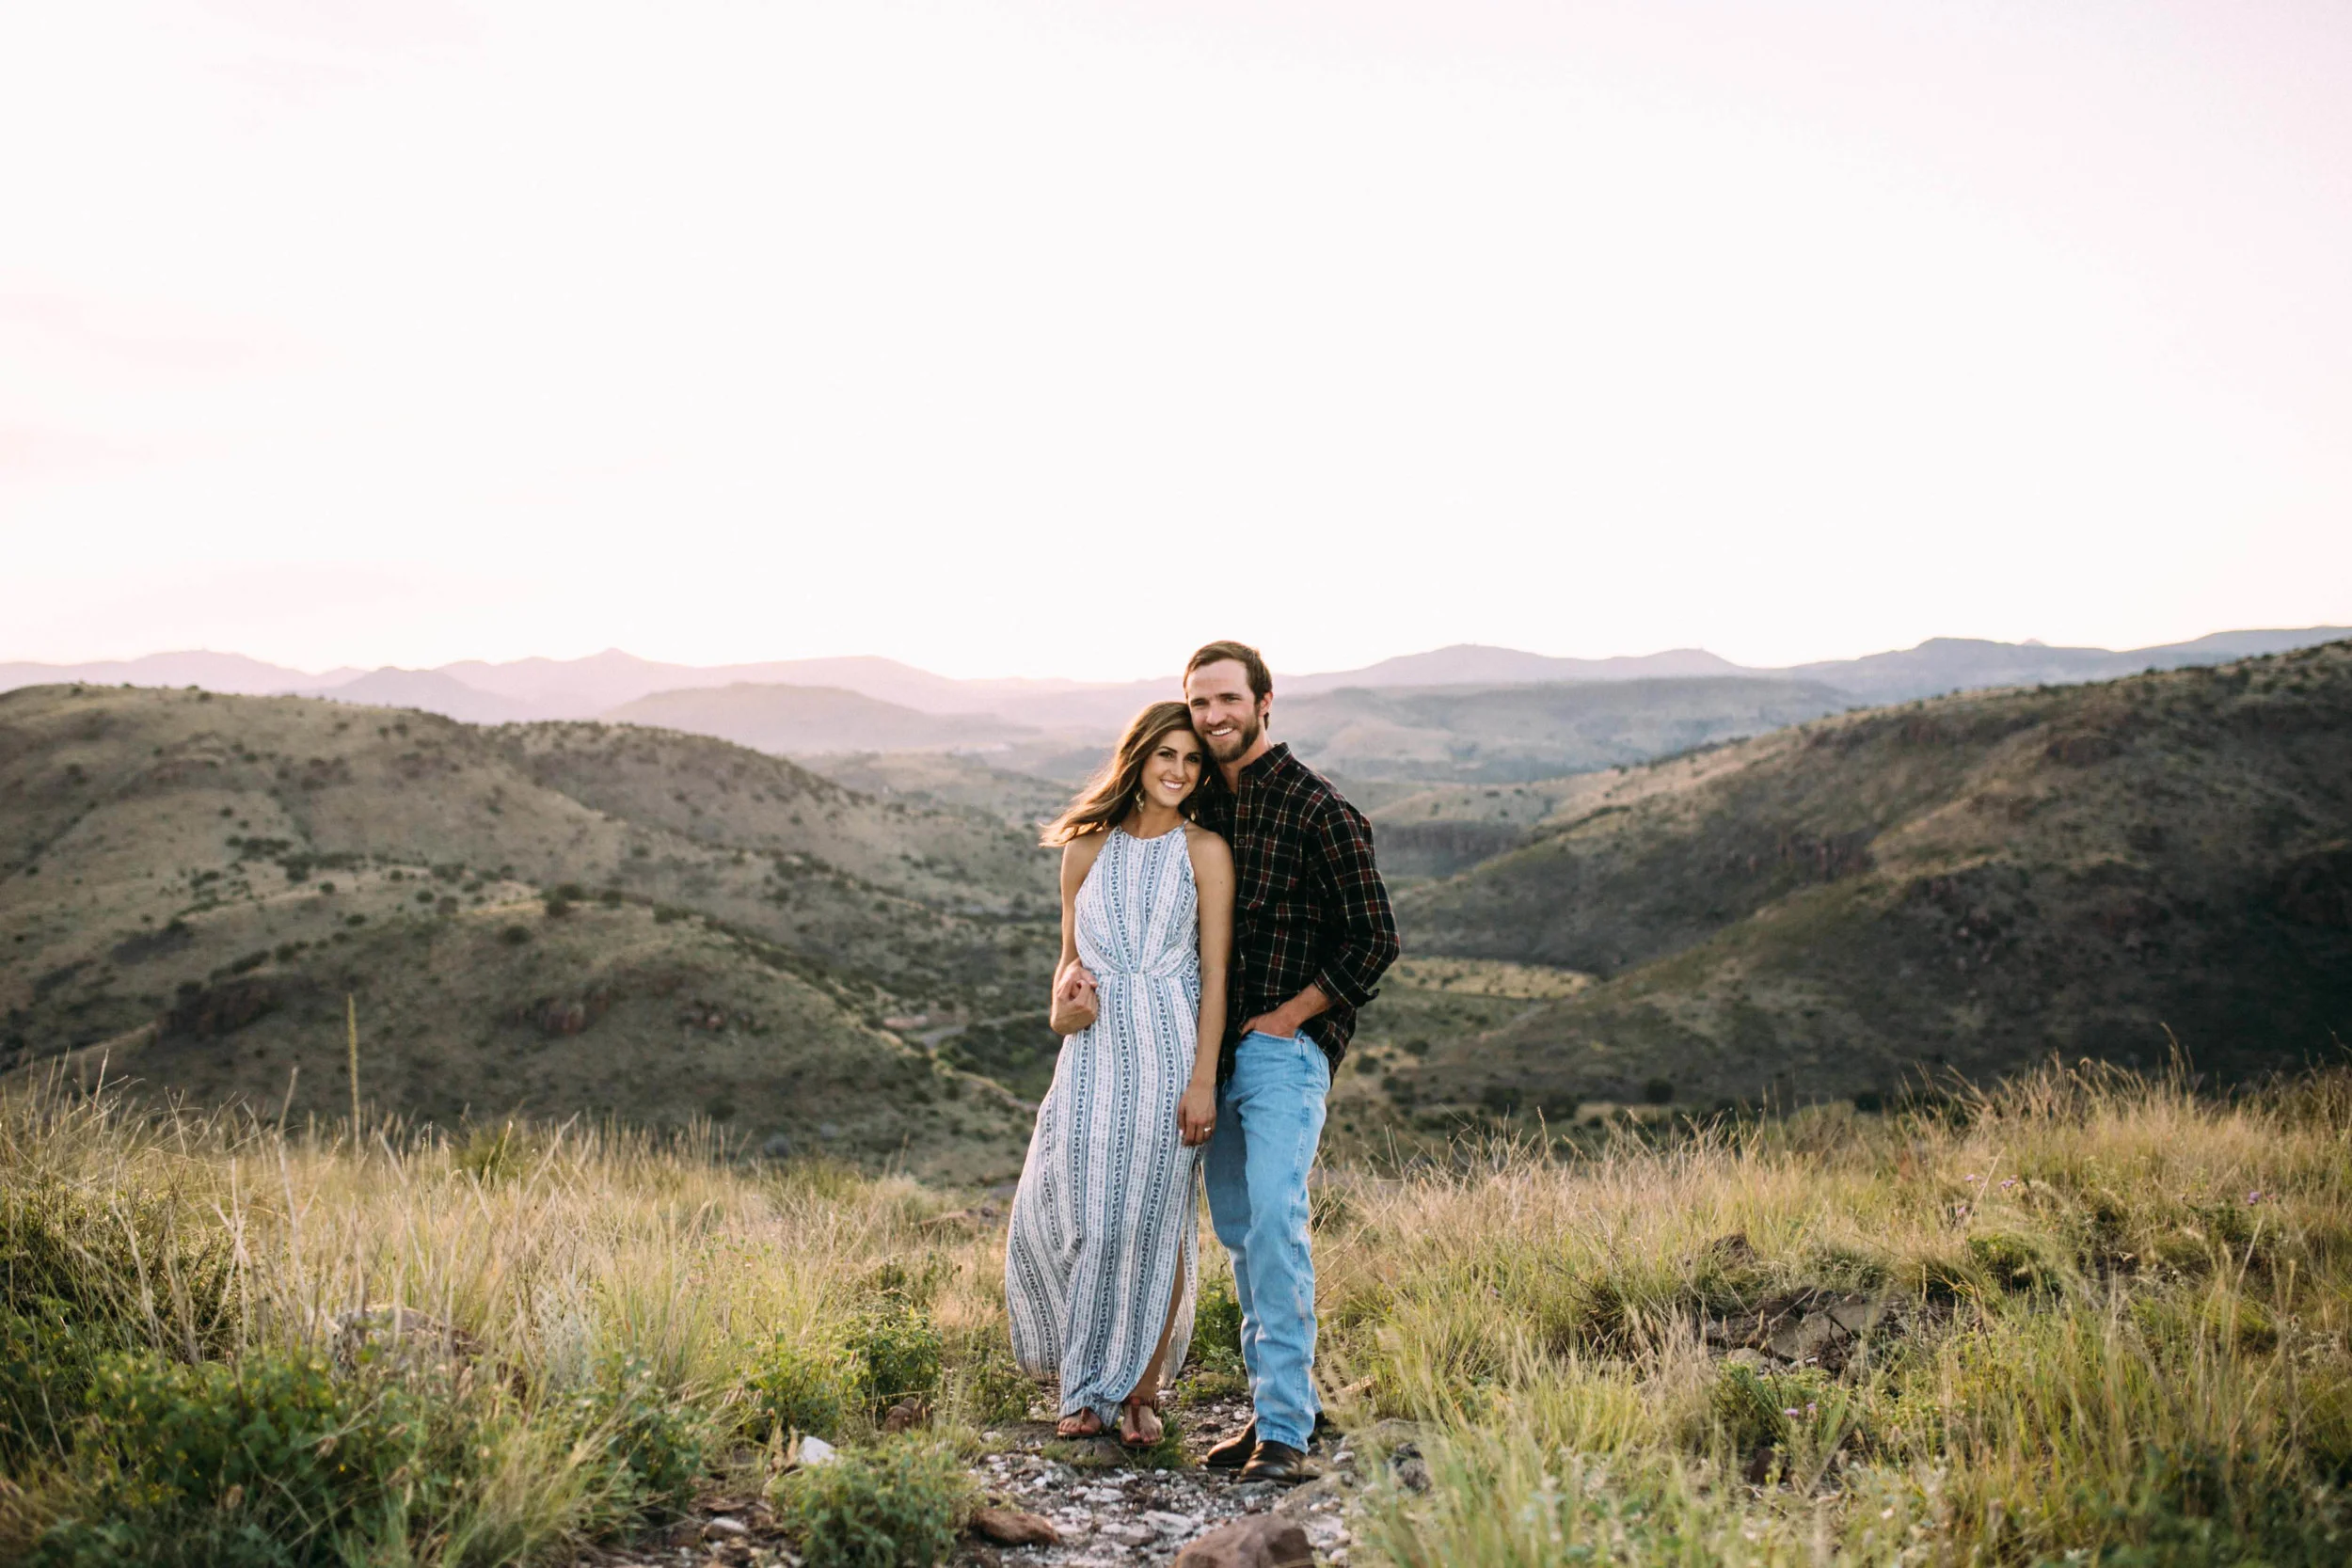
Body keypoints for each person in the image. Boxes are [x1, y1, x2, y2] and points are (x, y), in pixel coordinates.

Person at [1182, 639, 1398, 1484]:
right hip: (1211, 1054)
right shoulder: (1202, 799)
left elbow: (1375, 938)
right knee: (1241, 1234)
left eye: (1228, 700)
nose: (1214, 717)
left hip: (1281, 1053)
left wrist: (1289, 1017)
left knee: (1275, 1220)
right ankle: (1274, 1407)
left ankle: (1286, 1434)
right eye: (1200, 703)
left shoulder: (1319, 810)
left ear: (1266, 702)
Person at [1004, 701, 1235, 1447]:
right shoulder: (1084, 849)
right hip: (1094, 1058)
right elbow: (1067, 969)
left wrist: (1204, 1078)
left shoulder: (1205, 849)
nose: (1179, 770)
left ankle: (1139, 1390)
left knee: (1156, 1219)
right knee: (1088, 1219)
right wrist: (1061, 1010)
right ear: (1137, 757)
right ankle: (1081, 1386)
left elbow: (1217, 972)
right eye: (1167, 754)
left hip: (1170, 1050)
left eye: (1193, 759)